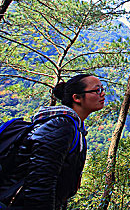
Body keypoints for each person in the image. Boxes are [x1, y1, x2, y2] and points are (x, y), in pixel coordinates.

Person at [0, 74, 105, 209]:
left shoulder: (74, 128)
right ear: (77, 98)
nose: (102, 94)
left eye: (102, 89)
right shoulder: (61, 127)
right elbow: (40, 183)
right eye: (97, 90)